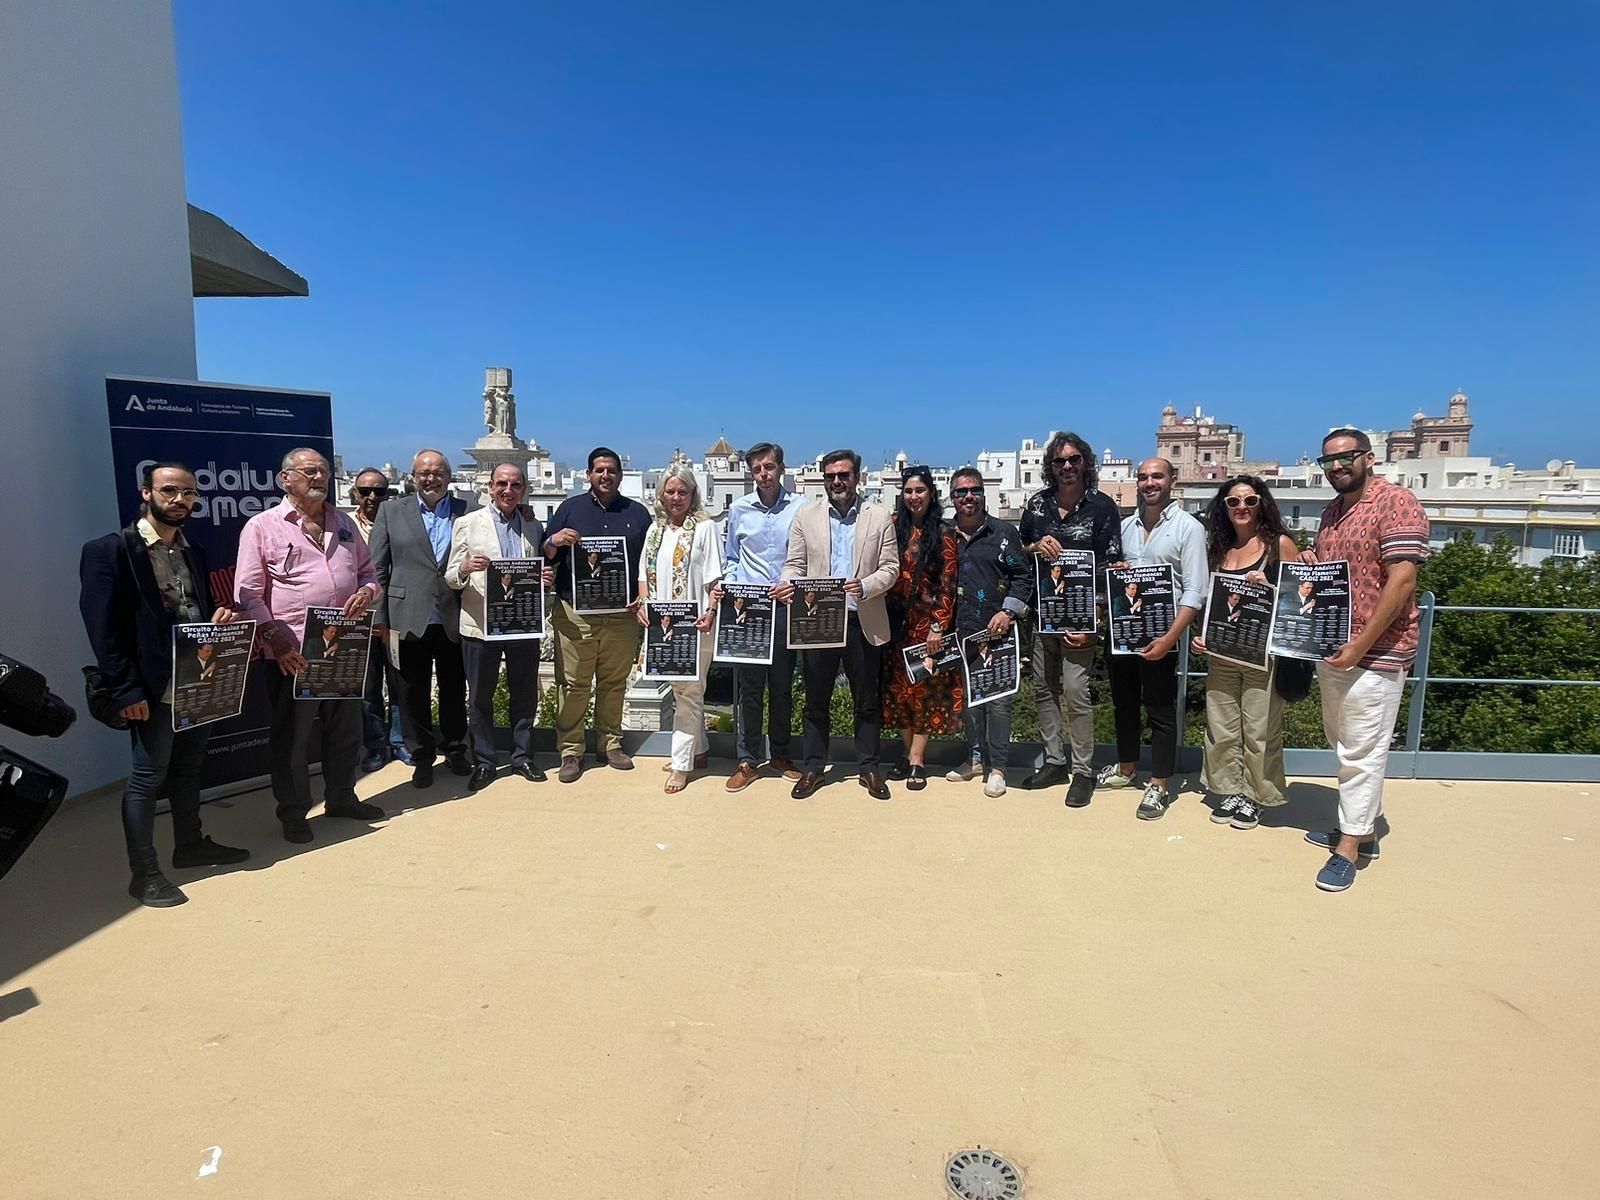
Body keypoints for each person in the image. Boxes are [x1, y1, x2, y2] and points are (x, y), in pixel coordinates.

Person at [79, 461, 250, 907]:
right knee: (146, 777)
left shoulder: (194, 551)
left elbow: (196, 609)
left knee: (191, 767)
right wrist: (126, 689)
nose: (181, 500)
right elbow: (104, 629)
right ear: (146, 493)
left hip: (199, 677)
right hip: (151, 686)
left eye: (189, 493)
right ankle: (145, 873)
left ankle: (190, 845)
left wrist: (219, 617)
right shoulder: (109, 550)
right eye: (170, 491)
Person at [234, 447, 385, 844]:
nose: (319, 478)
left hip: (343, 646)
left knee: (345, 730)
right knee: (293, 739)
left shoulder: (344, 524)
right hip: (293, 652)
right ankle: (295, 811)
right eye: (308, 471)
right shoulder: (263, 527)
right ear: (286, 479)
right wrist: (272, 634)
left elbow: (370, 573)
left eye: (323, 472)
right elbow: (248, 593)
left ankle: (341, 797)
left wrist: (367, 593)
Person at [1302, 428, 1429, 893]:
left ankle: (1349, 848)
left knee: (1363, 750)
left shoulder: (1396, 502)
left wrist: (1361, 644)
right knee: (1345, 743)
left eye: (1346, 457)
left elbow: (1402, 582)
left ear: (1368, 458)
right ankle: (1364, 828)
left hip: (1376, 652)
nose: (1337, 466)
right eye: (1328, 460)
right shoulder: (1333, 511)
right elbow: (1329, 571)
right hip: (1333, 647)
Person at [777, 449, 900, 800]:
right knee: (816, 701)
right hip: (818, 622)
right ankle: (814, 767)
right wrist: (789, 583)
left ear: (857, 477)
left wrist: (865, 586)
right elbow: (794, 564)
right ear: (823, 478)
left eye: (843, 475)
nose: (836, 481)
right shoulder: (807, 516)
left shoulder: (878, 517)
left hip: (863, 618)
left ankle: (869, 768)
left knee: (867, 700)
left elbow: (890, 569)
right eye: (830, 476)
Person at [1018, 431, 1123, 807]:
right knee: (1044, 689)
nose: (1066, 466)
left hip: (1081, 618)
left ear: (1085, 463)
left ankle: (1083, 771)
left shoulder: (1103, 508)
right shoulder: (1036, 504)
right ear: (1051, 466)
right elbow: (1019, 551)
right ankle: (1055, 760)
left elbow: (1111, 566)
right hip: (1042, 613)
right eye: (1060, 461)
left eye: (1074, 460)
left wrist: (1094, 617)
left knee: (1077, 692)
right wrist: (1035, 546)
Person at [1190, 475, 1300, 831]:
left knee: (1260, 730)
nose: (1241, 508)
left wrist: (1269, 589)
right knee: (1221, 728)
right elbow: (1211, 604)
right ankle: (1228, 790)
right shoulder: (1218, 550)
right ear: (1223, 507)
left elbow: (1300, 601)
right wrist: (1201, 636)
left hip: (1262, 656)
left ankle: (1257, 795)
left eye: (1250, 501)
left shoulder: (1279, 545)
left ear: (1261, 504)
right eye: (1233, 502)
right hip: (1222, 655)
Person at [1100, 458, 1207, 820]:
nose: (1149, 483)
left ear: (1172, 480)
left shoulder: (1188, 528)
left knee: (1160, 711)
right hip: (1124, 631)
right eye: (1143, 477)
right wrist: (1116, 574)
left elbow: (1195, 591)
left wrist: (1171, 639)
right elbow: (1115, 579)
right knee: (1124, 704)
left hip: (1163, 635)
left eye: (1156, 476)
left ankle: (1159, 784)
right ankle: (1126, 767)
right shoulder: (1125, 527)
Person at [543, 447, 653, 783]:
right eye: (599, 470)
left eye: (611, 471)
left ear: (620, 475)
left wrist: (642, 598)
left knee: (614, 683)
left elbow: (646, 563)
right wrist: (554, 539)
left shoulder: (638, 513)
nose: (605, 476)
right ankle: (571, 751)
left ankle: (611, 743)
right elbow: (546, 555)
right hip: (576, 613)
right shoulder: (569, 509)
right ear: (588, 474)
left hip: (622, 613)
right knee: (573, 685)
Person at [369, 450, 473, 788]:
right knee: (411, 692)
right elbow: (378, 570)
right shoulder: (390, 511)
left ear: (449, 475)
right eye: (423, 473)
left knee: (454, 688)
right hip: (406, 616)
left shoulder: (467, 510)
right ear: (413, 476)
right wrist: (380, 619)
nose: (431, 479)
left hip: (454, 616)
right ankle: (422, 756)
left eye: (437, 472)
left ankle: (456, 749)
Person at [448, 463, 554, 790]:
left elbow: (533, 572)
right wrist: (465, 567)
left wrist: (545, 580)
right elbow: (451, 577)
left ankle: (522, 756)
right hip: (480, 625)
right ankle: (485, 760)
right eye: (502, 484)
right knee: (480, 696)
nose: (508, 490)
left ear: (524, 489)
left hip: (521, 624)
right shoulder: (468, 523)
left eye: (515, 485)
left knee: (525, 694)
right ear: (491, 487)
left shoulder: (533, 527)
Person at [716, 443, 802, 792]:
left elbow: (807, 554)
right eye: (757, 469)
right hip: (748, 611)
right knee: (748, 690)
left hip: (784, 607)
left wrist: (792, 583)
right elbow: (732, 557)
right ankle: (748, 759)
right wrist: (733, 587)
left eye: (769, 467)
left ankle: (780, 754)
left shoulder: (801, 508)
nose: (763, 475)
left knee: (782, 688)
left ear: (781, 468)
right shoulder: (738, 509)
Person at [636, 464, 724, 793]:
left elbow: (716, 579)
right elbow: (644, 576)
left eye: (682, 492)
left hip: (696, 624)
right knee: (683, 691)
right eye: (670, 491)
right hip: (662, 627)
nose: (676, 498)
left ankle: (681, 763)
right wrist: (644, 605)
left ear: (693, 495)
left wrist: (712, 610)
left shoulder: (705, 529)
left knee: (687, 693)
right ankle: (698, 751)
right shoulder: (655, 532)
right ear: (661, 495)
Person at [946, 466, 1030, 795]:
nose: (969, 497)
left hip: (999, 632)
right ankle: (976, 758)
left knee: (999, 703)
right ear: (952, 497)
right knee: (970, 700)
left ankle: (999, 767)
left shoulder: (1004, 533)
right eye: (961, 492)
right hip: (960, 632)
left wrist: (1008, 611)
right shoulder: (945, 535)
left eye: (974, 490)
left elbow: (1022, 577)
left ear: (984, 494)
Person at [881, 467, 959, 791]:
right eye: (909, 491)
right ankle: (905, 750)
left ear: (931, 494)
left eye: (920, 491)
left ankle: (917, 759)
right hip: (895, 623)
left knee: (925, 693)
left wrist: (938, 626)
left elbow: (948, 583)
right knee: (897, 692)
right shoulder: (893, 529)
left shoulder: (943, 533)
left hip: (927, 628)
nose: (914, 497)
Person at [349, 469, 409, 771]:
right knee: (368, 687)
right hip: (358, 621)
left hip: (394, 618)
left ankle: (399, 741)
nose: (372, 497)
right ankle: (375, 744)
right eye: (365, 491)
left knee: (399, 683)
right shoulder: (342, 525)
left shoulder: (399, 523)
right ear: (355, 492)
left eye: (379, 491)